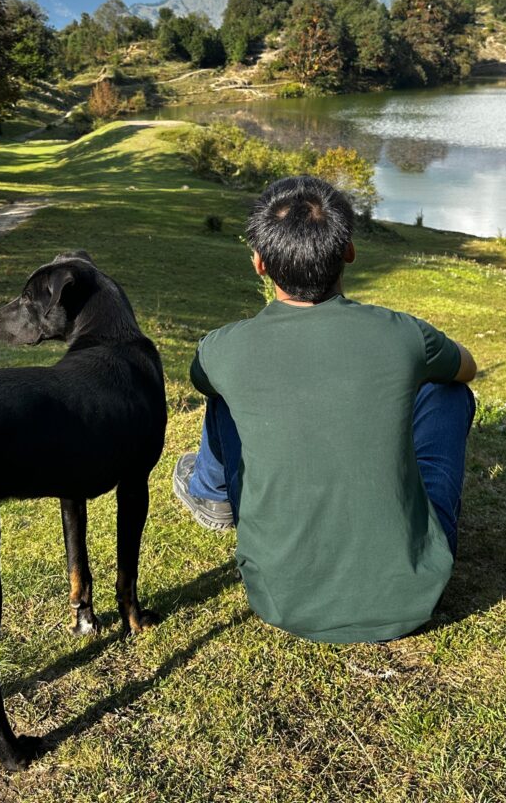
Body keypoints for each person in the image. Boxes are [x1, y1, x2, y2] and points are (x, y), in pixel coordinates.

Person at [173, 175, 476, 644]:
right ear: (349, 251)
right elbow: (466, 369)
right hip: (414, 591)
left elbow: (202, 381)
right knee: (449, 393)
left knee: (222, 390)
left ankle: (211, 492)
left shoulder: (222, 348)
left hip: (279, 597)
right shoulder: (403, 335)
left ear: (259, 263)